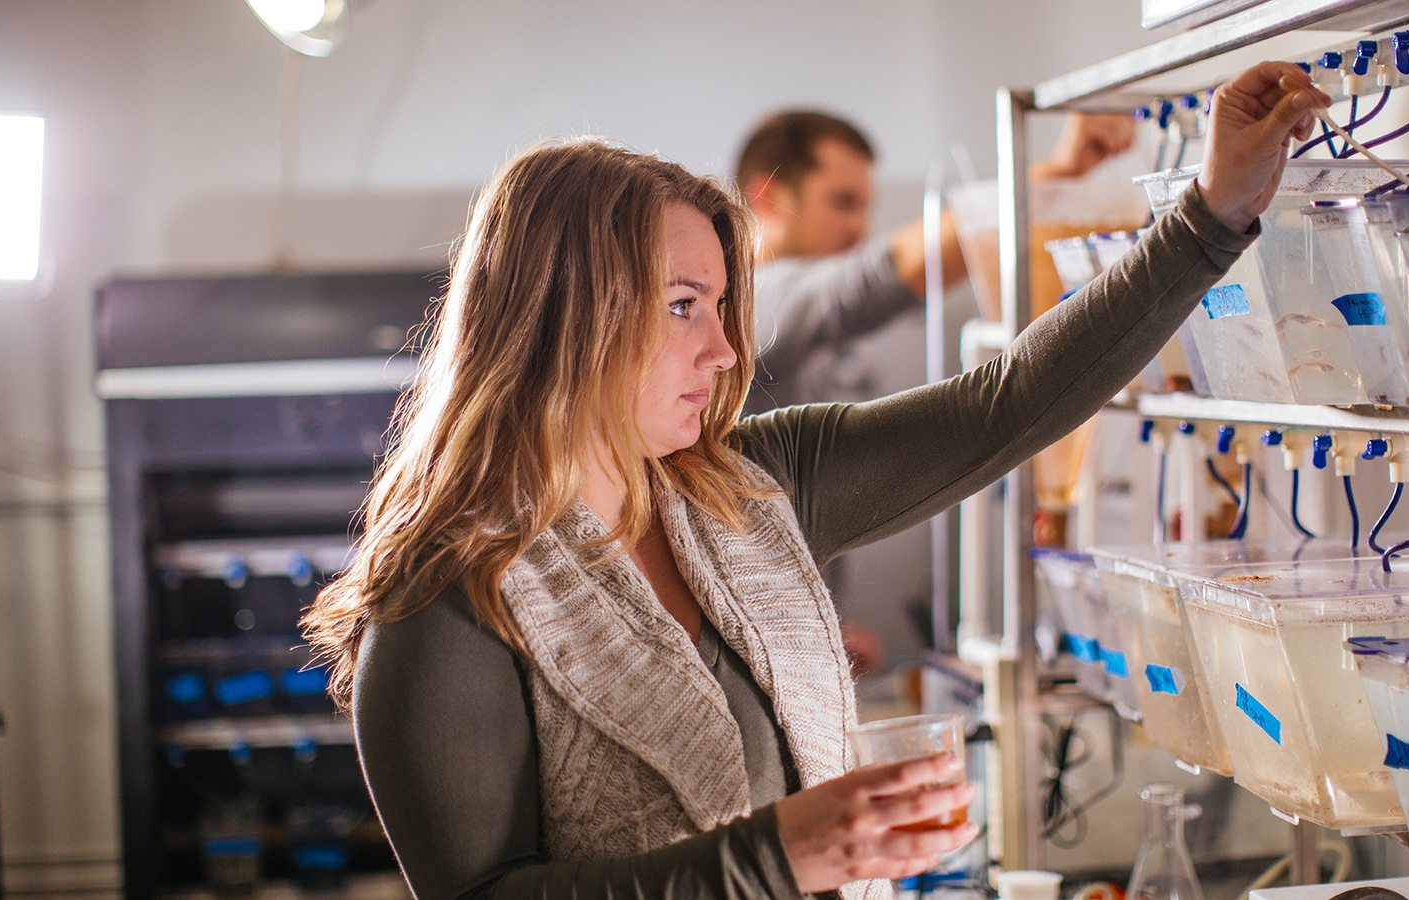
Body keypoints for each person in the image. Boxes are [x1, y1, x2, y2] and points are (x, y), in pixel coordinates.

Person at [302, 61, 1328, 900]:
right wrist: (775, 862)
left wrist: (1210, 212)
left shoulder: (752, 483)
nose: (723, 349)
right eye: (683, 306)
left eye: (721, 304)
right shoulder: (447, 595)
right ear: (570, 309)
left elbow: (1007, 403)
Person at [736, 111, 1135, 671]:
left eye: (865, 207)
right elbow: (877, 279)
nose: (859, 227)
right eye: (842, 202)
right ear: (770, 198)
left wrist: (818, 629)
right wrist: (1057, 171)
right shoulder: (757, 295)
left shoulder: (786, 330)